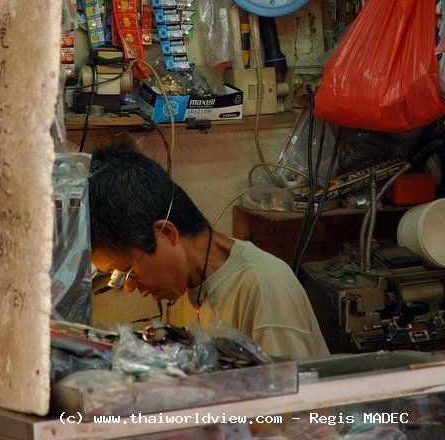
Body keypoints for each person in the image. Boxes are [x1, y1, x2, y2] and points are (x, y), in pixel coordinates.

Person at [89, 140, 329, 360]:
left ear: (166, 234)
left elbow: (290, 400)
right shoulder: (183, 285)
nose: (130, 286)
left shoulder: (265, 287)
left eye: (129, 270)